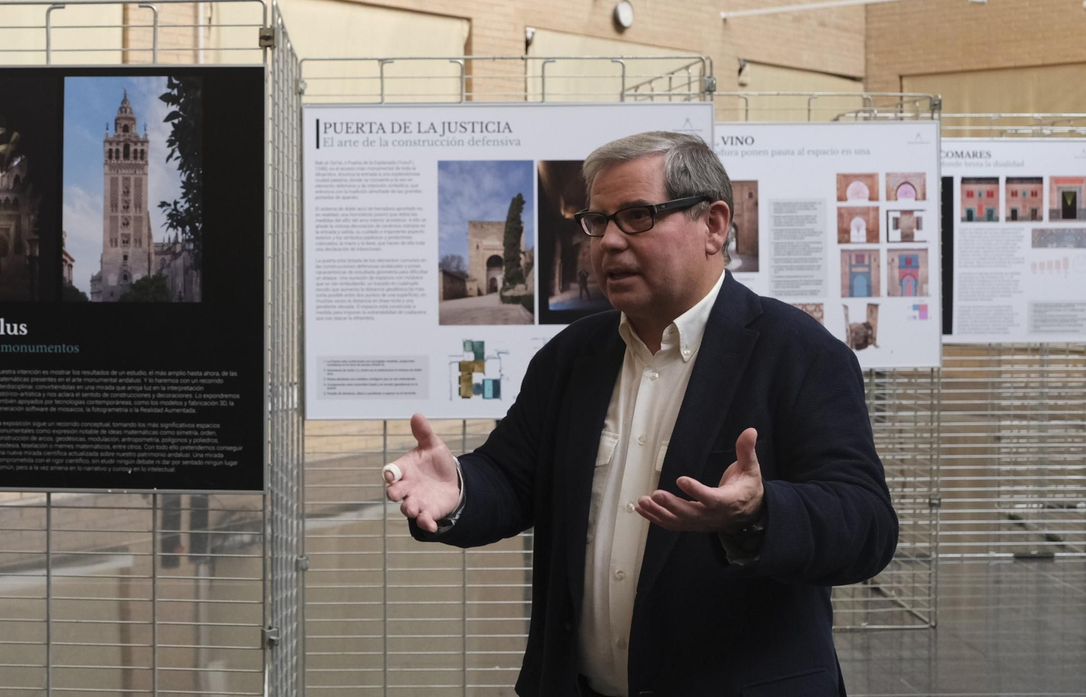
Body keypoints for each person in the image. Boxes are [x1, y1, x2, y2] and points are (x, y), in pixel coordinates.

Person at [384, 131, 897, 697]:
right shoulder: (570, 357)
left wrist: (759, 511)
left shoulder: (799, 353)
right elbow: (511, 477)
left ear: (714, 225)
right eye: (598, 221)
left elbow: (868, 525)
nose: (607, 243)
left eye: (636, 216)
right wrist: (458, 489)